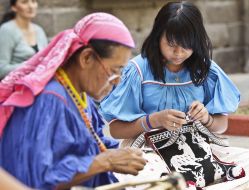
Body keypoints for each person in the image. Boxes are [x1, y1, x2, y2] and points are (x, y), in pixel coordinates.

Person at [100, 1, 249, 188]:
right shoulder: (138, 71)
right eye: (171, 44)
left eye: (186, 46)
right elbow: (116, 130)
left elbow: (221, 126)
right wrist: (153, 120)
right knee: (155, 182)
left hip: (200, 149)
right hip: (148, 151)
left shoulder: (205, 69)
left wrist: (206, 118)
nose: (178, 53)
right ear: (158, 37)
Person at [0, 13, 146, 189]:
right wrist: (105, 161)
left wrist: (125, 154)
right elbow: (37, 178)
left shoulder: (81, 96)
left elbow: (95, 142)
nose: (117, 80)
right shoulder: (48, 101)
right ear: (86, 58)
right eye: (115, 70)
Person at [0, 0, 48, 79]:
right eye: (24, 2)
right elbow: (1, 69)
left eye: (33, 1)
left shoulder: (39, 30)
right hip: (16, 86)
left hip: (39, 83)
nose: (31, 6)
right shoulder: (7, 30)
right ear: (14, 7)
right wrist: (30, 65)